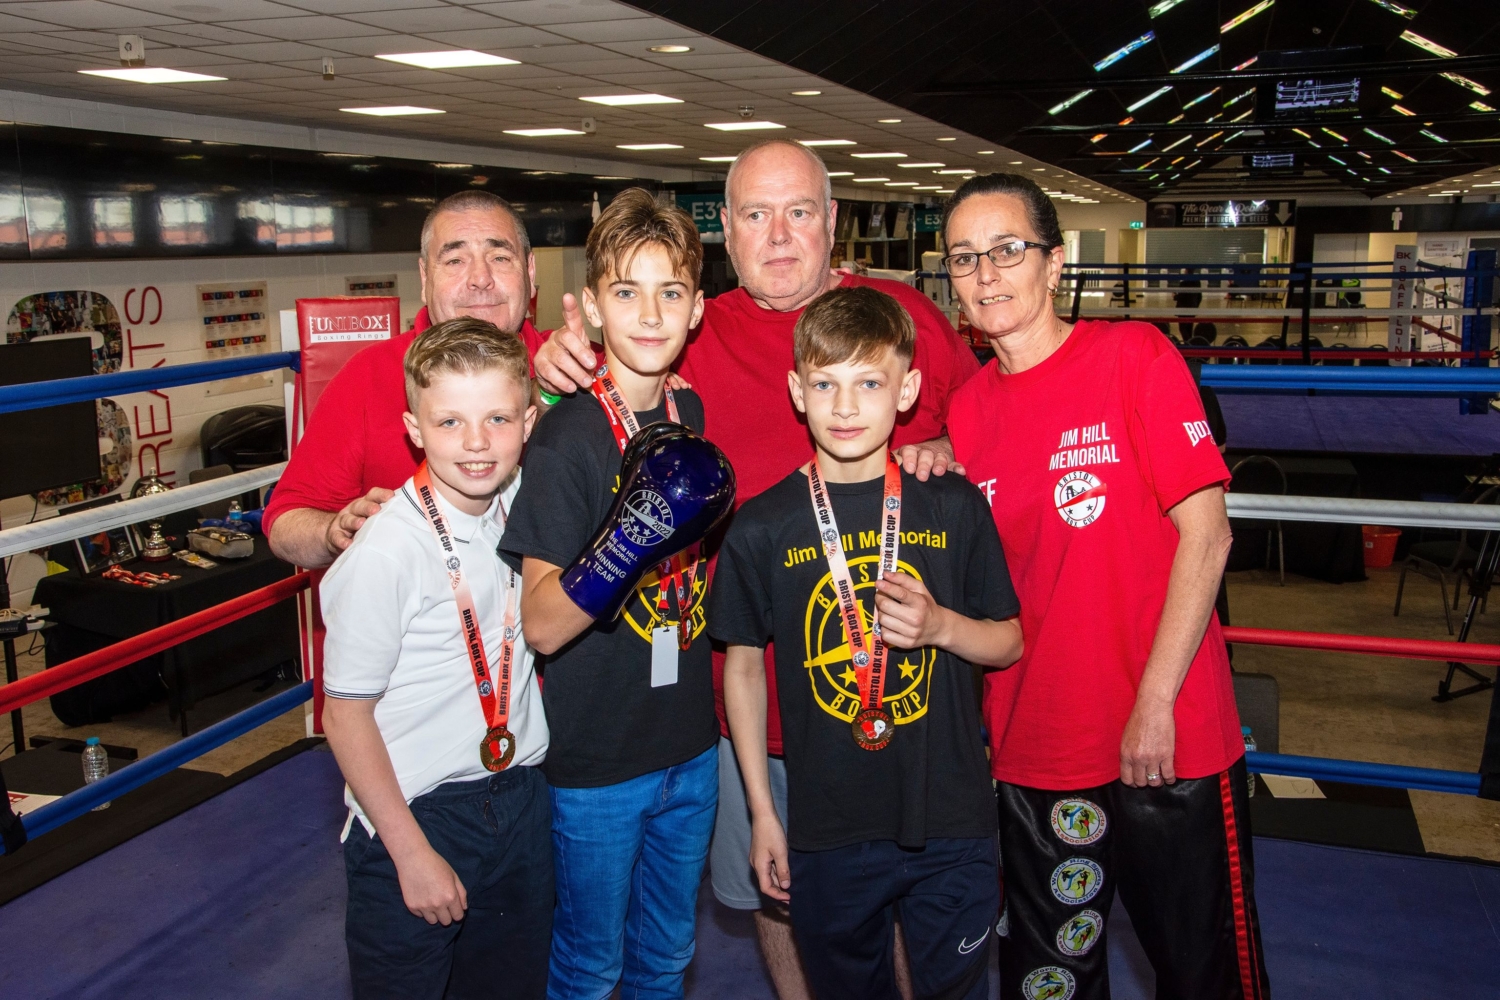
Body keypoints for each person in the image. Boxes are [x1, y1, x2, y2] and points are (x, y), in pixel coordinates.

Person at [532, 138, 980, 1000]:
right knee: (773, 895)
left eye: (799, 211)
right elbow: (612, 373)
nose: (778, 235)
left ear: (832, 221)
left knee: (899, 896)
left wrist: (950, 442)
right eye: (755, 215)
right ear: (727, 232)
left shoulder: (904, 315)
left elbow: (989, 421)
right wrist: (555, 366)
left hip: (901, 689)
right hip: (744, 701)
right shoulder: (690, 345)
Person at [940, 172, 1270, 999]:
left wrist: (1156, 703)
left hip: (1170, 742)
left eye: (1007, 250)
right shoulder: (965, 414)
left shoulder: (1133, 357)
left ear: (1055, 264)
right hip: (1040, 747)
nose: (986, 274)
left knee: (1202, 976)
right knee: (1051, 981)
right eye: (964, 258)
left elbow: (1208, 534)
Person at [711, 286, 1023, 1000]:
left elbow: (1007, 643)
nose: (845, 407)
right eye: (825, 384)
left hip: (950, 821)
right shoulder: (762, 526)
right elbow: (743, 670)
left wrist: (941, 627)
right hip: (827, 829)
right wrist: (763, 813)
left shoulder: (953, 504)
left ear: (907, 390)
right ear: (797, 391)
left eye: (870, 383)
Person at [499, 189, 717, 1000]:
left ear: (697, 308)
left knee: (668, 956)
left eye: (670, 292)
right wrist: (631, 534)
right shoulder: (569, 437)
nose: (650, 314)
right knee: (591, 969)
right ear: (592, 307)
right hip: (599, 760)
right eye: (626, 292)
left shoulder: (689, 408)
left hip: (688, 741)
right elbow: (543, 626)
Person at [319, 318, 549, 1000]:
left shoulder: (524, 505)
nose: (476, 443)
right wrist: (410, 852)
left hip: (520, 799)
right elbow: (344, 714)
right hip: (417, 813)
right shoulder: (388, 550)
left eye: (497, 419)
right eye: (449, 422)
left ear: (528, 422)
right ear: (414, 429)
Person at [266, 189, 549, 570]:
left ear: (529, 272)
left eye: (499, 257)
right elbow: (285, 525)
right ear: (425, 276)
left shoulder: (576, 367)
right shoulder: (367, 375)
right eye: (455, 260)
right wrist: (335, 530)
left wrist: (563, 391)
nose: (480, 279)